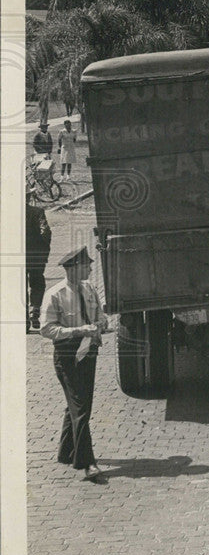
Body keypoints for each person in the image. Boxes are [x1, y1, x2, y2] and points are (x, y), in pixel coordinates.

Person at [40, 247, 110, 481]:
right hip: (67, 356)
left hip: (88, 352)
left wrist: (100, 323)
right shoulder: (55, 294)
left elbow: (100, 314)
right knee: (79, 407)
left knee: (82, 405)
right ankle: (87, 463)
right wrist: (78, 330)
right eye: (86, 265)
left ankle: (65, 451)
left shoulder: (89, 288)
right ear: (73, 268)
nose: (90, 268)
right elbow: (46, 329)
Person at [26, 188, 52, 332]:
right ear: (29, 197)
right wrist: (44, 251)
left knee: (19, 286)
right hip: (36, 256)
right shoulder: (37, 212)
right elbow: (46, 232)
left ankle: (23, 319)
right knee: (37, 282)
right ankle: (35, 309)